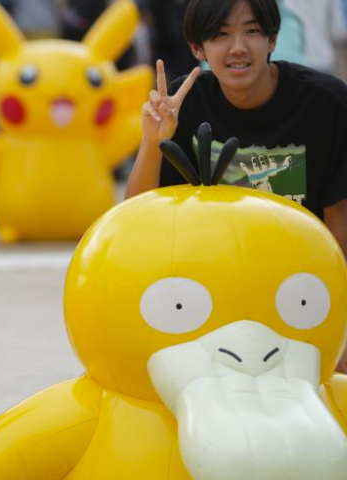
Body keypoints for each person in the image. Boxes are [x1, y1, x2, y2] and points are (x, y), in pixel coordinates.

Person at [125, 0, 347, 369]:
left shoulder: (326, 103)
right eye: (221, 35)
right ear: (198, 49)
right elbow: (136, 219)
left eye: (252, 31)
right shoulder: (184, 106)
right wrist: (152, 142)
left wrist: (340, 333)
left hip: (301, 295)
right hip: (212, 295)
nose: (238, 47)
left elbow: (339, 220)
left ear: (273, 40)